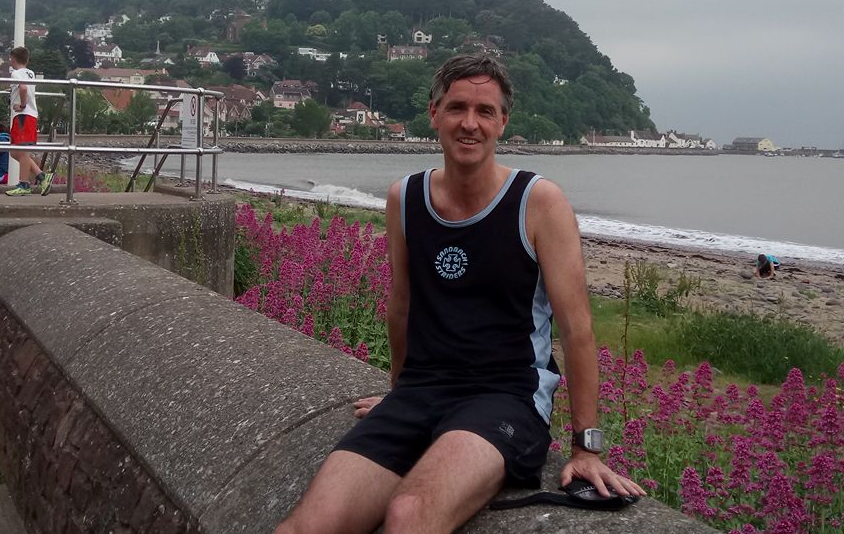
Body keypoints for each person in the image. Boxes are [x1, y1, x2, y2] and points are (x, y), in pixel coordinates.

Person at [275, 54, 644, 534]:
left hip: (507, 396)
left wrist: (587, 447)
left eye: (485, 111)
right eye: (457, 108)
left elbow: (577, 330)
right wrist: (398, 393)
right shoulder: (404, 198)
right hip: (423, 391)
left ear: (503, 122)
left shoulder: (539, 203)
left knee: (409, 515)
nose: (470, 123)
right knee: (306, 526)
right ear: (434, 113)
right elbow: (402, 306)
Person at [4, 46, 47, 196]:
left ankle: (24, 185)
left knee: (21, 151)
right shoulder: (30, 73)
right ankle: (41, 175)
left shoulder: (16, 73)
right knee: (15, 152)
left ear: (13, 59)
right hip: (29, 115)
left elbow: (22, 89)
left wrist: (21, 105)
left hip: (23, 115)